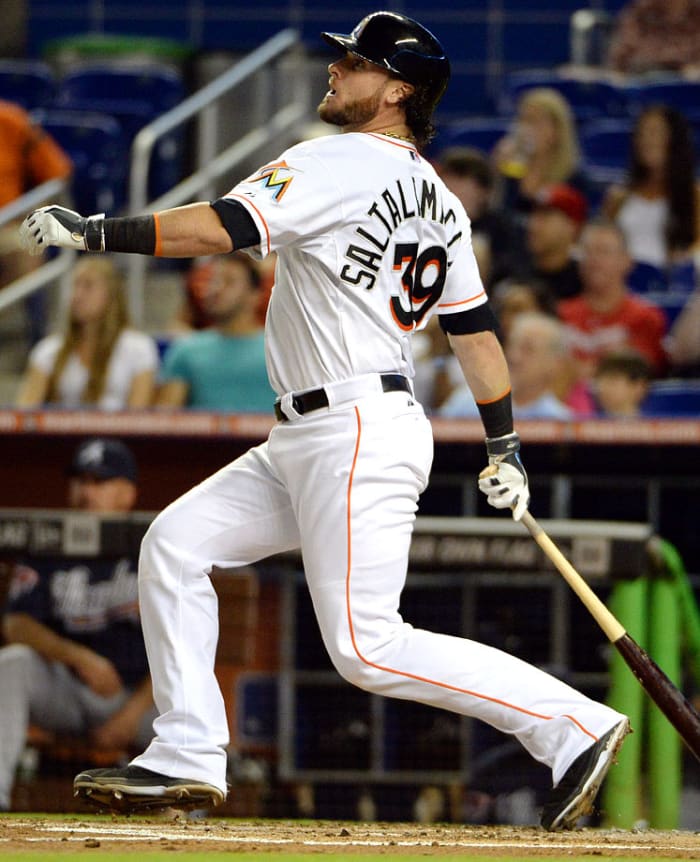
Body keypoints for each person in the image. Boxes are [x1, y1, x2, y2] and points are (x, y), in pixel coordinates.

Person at [19, 11, 629, 831]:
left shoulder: (338, 159)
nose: (337, 69)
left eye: (357, 62)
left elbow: (225, 230)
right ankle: (190, 752)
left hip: (353, 428)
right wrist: (504, 444)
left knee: (367, 647)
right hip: (318, 431)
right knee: (175, 545)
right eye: (342, 56)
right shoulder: (441, 199)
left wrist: (99, 232)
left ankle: (572, 725)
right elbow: (475, 335)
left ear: (399, 91)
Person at [0, 437, 155, 812]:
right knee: (13, 663)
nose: (86, 492)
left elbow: (185, 646)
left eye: (99, 482)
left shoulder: (152, 548)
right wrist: (79, 657)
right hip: (67, 692)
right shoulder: (51, 543)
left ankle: (193, 828)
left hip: (138, 700)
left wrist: (130, 715)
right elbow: (15, 625)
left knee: (189, 710)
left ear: (126, 493)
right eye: (80, 481)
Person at [14, 256, 158, 410]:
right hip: (64, 432)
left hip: (119, 432)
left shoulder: (139, 349)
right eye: (75, 286)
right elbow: (24, 412)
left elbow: (139, 416)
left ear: (111, 294)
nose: (77, 295)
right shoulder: (49, 350)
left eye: (88, 286)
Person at [155, 253, 276, 412]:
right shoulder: (186, 350)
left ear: (255, 295)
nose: (216, 289)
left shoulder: (278, 350)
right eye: (212, 281)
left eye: (229, 281)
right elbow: (164, 420)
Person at [0, 99, 73, 342]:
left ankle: (36, 340)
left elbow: (58, 172)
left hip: (7, 224)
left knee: (26, 246)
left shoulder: (10, 120)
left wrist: (34, 215)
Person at [558, 219, 668, 381]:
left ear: (626, 261)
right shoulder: (561, 314)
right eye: (587, 251)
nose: (594, 260)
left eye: (604, 252)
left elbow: (637, 376)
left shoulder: (646, 318)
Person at [602, 105, 700, 268]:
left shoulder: (694, 196)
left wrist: (684, 260)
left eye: (655, 133)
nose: (648, 140)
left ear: (674, 139)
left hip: (673, 281)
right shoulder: (618, 197)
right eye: (642, 134)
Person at [440, 312, 573, 420]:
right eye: (512, 345)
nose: (514, 356)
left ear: (555, 363)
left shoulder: (559, 422)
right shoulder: (469, 401)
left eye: (528, 349)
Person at [491, 88, 590, 217]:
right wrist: (496, 171)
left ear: (557, 131)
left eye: (535, 121)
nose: (526, 129)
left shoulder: (574, 179)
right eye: (523, 120)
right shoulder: (511, 172)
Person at [435, 147, 524, 288]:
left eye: (461, 181)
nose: (452, 188)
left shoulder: (501, 228)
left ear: (484, 192)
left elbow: (512, 273)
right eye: (447, 182)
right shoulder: (427, 225)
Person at [518, 184, 587, 301]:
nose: (533, 225)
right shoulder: (513, 272)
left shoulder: (585, 283)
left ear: (572, 226)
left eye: (545, 217)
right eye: (533, 215)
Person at [606, 0, 700, 77]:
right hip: (644, 84)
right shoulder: (640, 13)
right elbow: (620, 61)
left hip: (689, 89)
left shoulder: (696, 13)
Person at [592, 350, 653, 418]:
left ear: (638, 387)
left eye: (612, 381)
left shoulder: (656, 425)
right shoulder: (586, 423)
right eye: (600, 382)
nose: (603, 388)